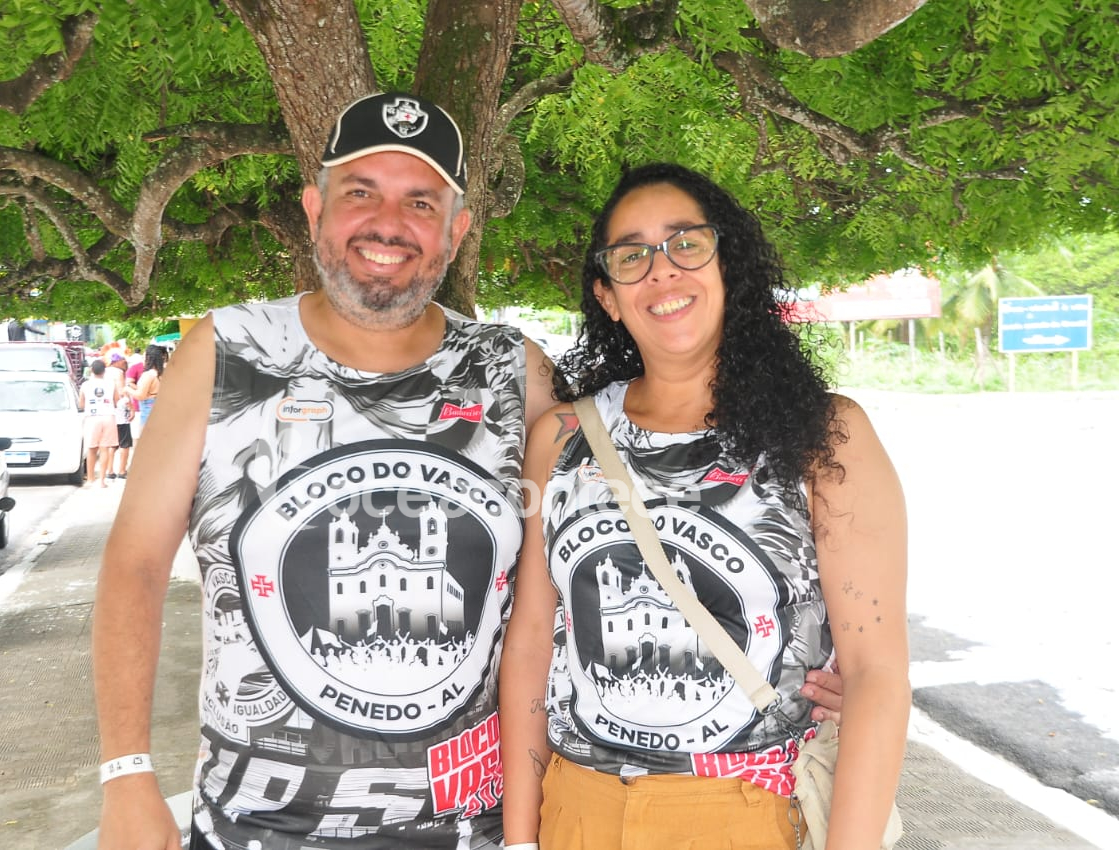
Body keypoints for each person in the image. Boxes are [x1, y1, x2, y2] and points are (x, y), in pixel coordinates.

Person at [91, 97, 844, 850]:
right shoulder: (228, 352)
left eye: (421, 202)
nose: (388, 223)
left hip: (472, 826)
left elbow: (641, 515)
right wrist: (125, 773)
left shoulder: (512, 372)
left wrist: (816, 657)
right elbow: (136, 564)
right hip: (257, 824)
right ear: (315, 209)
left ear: (457, 231)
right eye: (361, 192)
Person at [498, 163, 908, 850]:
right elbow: (534, 642)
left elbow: (876, 676)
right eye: (632, 255)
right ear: (607, 295)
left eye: (686, 244)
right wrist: (519, 839)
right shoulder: (562, 439)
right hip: (577, 813)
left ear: (728, 265)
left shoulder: (825, 435)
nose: (662, 270)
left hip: (750, 816)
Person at [79, 358, 119, 488]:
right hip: (108, 417)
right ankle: (102, 480)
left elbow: (81, 404)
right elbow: (117, 401)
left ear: (91, 370)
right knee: (104, 448)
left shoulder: (85, 385)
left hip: (92, 418)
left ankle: (90, 479)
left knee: (91, 449)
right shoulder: (111, 384)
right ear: (104, 371)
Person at [127, 343, 166, 434]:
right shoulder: (162, 372)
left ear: (149, 358)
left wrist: (127, 389)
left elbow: (140, 396)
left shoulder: (148, 374)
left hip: (148, 409)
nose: (142, 359)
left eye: (144, 356)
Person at [108, 355, 133, 478]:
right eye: (123, 361)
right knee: (124, 443)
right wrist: (131, 407)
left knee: (111, 443)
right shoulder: (118, 373)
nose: (125, 363)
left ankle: (109, 470)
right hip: (120, 412)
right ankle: (122, 471)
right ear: (117, 362)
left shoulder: (104, 372)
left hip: (108, 413)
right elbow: (122, 392)